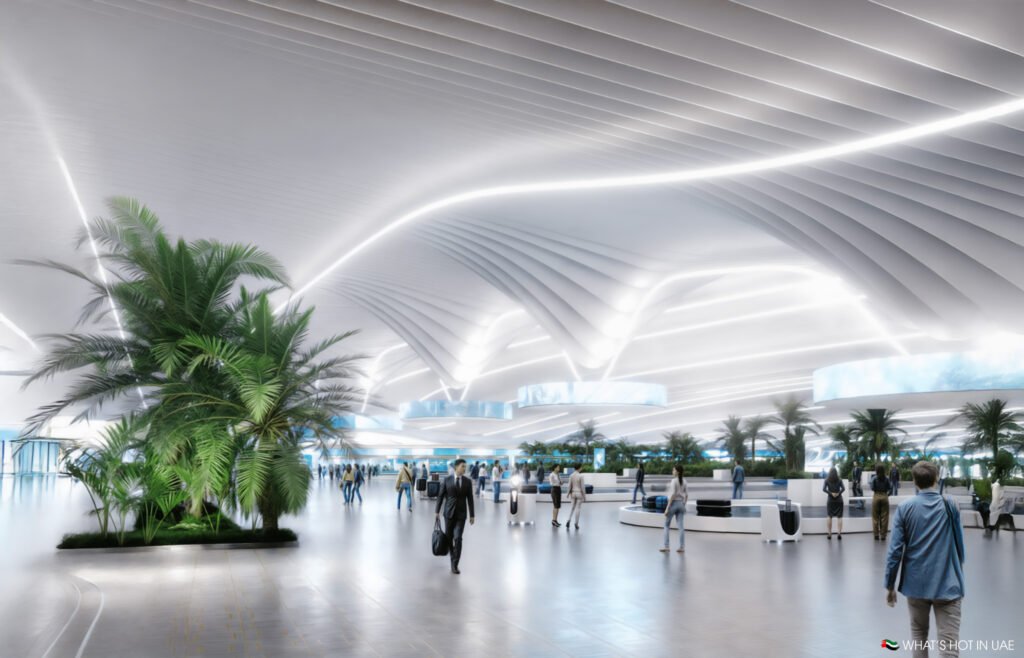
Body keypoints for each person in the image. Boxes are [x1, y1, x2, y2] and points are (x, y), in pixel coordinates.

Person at [884, 461, 965, 658]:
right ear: (936, 478)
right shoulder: (950, 504)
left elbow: (895, 552)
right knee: (949, 645)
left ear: (914, 481)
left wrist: (890, 585)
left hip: (916, 585)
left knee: (919, 635)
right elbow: (960, 545)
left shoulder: (905, 508)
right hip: (948, 585)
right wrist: (958, 571)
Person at [436, 459, 475, 574]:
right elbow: (440, 496)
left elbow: (470, 499)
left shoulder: (468, 481)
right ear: (456, 467)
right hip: (448, 514)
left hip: (461, 515)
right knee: (449, 539)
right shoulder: (447, 480)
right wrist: (436, 511)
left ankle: (455, 563)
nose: (465, 468)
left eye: (465, 466)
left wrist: (472, 514)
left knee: (457, 538)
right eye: (463, 466)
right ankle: (452, 557)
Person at [660, 463, 688, 553]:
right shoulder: (685, 481)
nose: (672, 471)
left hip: (673, 504)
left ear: (677, 471)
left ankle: (666, 546)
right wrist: (684, 504)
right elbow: (686, 495)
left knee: (666, 525)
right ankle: (682, 547)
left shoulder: (673, 481)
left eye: (673, 470)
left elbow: (672, 495)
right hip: (681, 504)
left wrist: (667, 508)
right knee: (681, 527)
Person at [823, 467, 846, 540]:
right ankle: (839, 533)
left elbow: (823, 489)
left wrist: (831, 493)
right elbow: (843, 489)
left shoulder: (827, 480)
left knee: (829, 516)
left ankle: (829, 533)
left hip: (830, 500)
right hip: (839, 500)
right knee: (840, 517)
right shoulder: (839, 480)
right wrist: (838, 493)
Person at [871, 464, 891, 541]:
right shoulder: (887, 479)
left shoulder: (874, 478)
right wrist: (886, 495)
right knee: (884, 517)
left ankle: (876, 535)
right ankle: (883, 535)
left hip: (876, 496)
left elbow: (872, 488)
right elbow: (890, 488)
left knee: (875, 517)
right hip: (884, 496)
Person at [567, 463, 586, 530]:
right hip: (579, 493)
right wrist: (584, 496)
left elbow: (569, 486)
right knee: (578, 508)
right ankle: (576, 523)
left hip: (573, 493)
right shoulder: (581, 476)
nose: (582, 468)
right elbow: (583, 487)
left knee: (572, 507)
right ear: (579, 468)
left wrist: (567, 494)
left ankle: (568, 520)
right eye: (581, 467)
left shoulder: (571, 475)